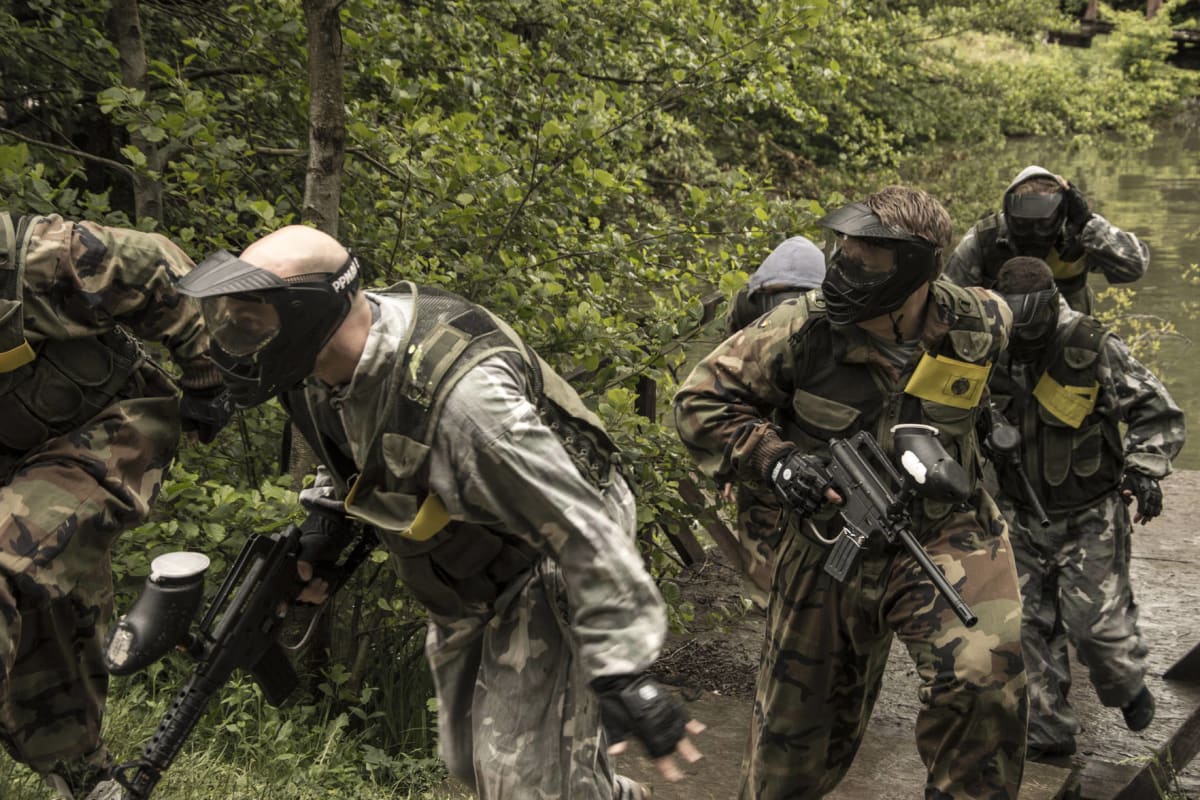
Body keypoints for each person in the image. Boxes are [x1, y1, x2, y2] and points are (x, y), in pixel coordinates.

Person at [175, 225, 704, 800]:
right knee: (470, 759)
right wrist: (324, 534)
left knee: (521, 782)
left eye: (251, 321)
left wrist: (622, 670)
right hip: (468, 558)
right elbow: (357, 454)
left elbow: (582, 527)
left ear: (307, 311)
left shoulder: (465, 403)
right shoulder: (312, 370)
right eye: (229, 320)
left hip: (553, 552)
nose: (233, 339)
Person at [674, 186, 1028, 799]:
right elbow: (698, 400)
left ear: (916, 265)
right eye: (842, 249)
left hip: (945, 528)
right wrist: (775, 461)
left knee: (984, 677)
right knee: (789, 761)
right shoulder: (802, 327)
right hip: (828, 536)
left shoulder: (982, 322)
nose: (843, 266)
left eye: (866, 257)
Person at [0, 211, 228, 800]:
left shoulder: (32, 259)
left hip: (109, 427)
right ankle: (82, 772)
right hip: (16, 454)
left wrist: (206, 373)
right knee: (53, 603)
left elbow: (159, 268)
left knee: (8, 559)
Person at [986, 256, 1184, 762]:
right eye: (1016, 335)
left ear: (1051, 309)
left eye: (1031, 334)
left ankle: (1125, 685)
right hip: (1018, 513)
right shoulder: (988, 341)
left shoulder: (1092, 345)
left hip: (1090, 517)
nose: (1023, 347)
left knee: (1093, 630)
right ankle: (1047, 730)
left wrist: (1143, 468)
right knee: (1024, 626)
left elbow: (1156, 410)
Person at [722, 236, 826, 607]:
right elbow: (725, 384)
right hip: (758, 393)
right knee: (760, 482)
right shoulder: (746, 307)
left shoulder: (825, 312)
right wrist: (729, 465)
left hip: (808, 393)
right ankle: (765, 597)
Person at [943, 165, 1149, 315]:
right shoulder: (986, 238)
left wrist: (1087, 222)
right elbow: (948, 302)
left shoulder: (1079, 234)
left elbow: (1134, 266)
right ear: (1009, 212)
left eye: (1043, 222)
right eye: (1025, 221)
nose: (1034, 231)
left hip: (1063, 349)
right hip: (1000, 349)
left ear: (1060, 215)